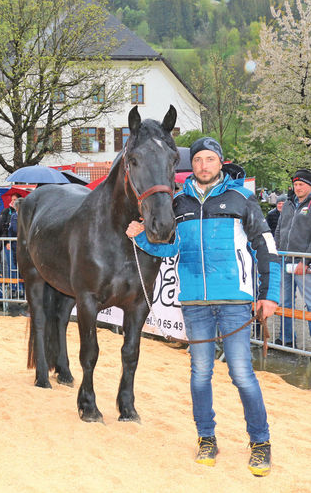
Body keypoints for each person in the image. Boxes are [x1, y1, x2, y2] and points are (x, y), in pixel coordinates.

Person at [126, 137, 279, 477]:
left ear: (220, 162)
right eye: (197, 160)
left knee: (242, 375)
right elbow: (170, 250)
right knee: (199, 376)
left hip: (234, 302)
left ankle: (260, 442)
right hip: (194, 304)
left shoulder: (242, 198)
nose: (203, 165)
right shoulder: (178, 202)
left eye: (210, 159)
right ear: (190, 165)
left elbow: (266, 248)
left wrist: (269, 295)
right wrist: (140, 237)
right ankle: (206, 438)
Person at [274, 169, 311, 346]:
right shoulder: (288, 204)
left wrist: (306, 261)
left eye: (301, 184)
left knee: (309, 304)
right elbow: (280, 229)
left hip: (304, 263)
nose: (297, 188)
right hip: (284, 260)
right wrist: (276, 250)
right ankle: (286, 339)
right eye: (295, 184)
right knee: (284, 302)